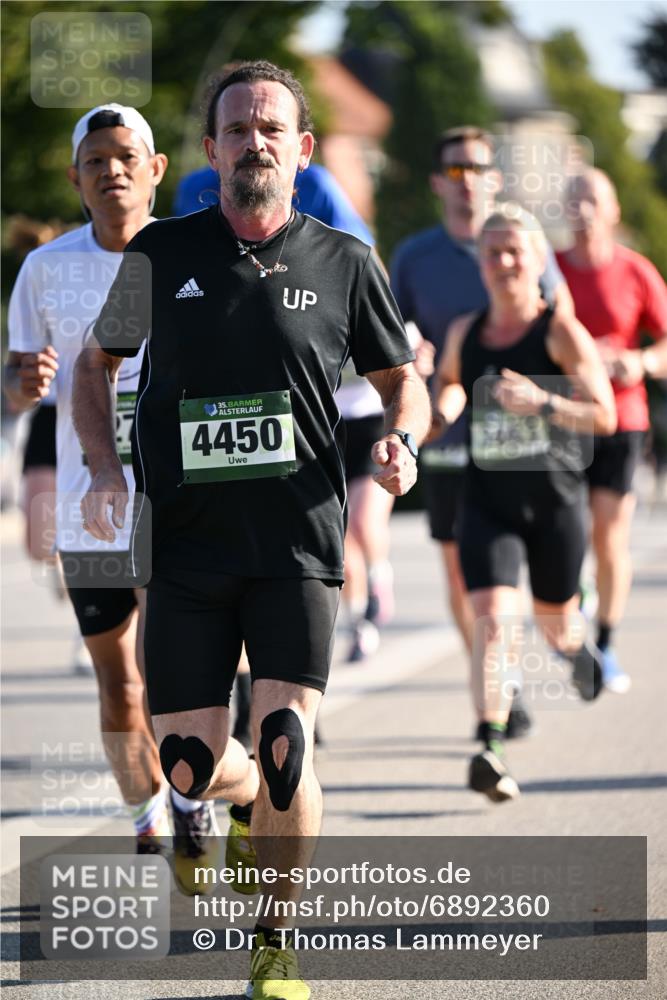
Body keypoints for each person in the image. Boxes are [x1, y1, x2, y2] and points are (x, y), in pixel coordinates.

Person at [73, 61, 430, 1000]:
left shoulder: (344, 262)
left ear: (301, 149)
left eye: (271, 128)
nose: (254, 143)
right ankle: (233, 806)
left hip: (296, 547)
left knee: (284, 742)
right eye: (237, 130)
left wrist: (401, 440)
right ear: (210, 151)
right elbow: (94, 365)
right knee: (190, 761)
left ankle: (274, 944)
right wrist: (104, 470)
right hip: (185, 549)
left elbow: (404, 380)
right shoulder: (159, 254)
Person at [5, 104, 215, 881]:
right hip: (89, 513)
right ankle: (147, 817)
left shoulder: (192, 256)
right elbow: (18, 379)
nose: (112, 170)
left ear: (156, 170)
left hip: (183, 508)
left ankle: (194, 797)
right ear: (75, 178)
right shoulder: (46, 269)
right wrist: (21, 383)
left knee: (176, 674)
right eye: (95, 161)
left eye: (127, 156)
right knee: (119, 683)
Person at [391, 126, 573, 737]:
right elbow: (391, 338)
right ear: (439, 182)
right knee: (461, 573)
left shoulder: (521, 245)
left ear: (496, 178)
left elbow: (562, 333)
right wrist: (409, 360)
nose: (468, 181)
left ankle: (557, 636)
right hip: (450, 430)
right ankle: (502, 682)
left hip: (524, 441)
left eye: (479, 168)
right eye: (456, 170)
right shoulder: (416, 257)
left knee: (524, 576)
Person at [431, 202, 616, 802]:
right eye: (492, 252)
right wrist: (439, 411)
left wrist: (540, 402)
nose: (504, 261)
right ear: (480, 264)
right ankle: (490, 744)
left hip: (555, 503)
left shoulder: (559, 330)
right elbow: (454, 385)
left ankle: (576, 648)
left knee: (554, 624)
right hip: (489, 503)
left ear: (538, 260)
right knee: (492, 624)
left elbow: (605, 416)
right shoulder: (467, 330)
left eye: (515, 251)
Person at [556, 168, 667, 692]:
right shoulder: (549, 271)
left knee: (608, 538)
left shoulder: (637, 271)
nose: (582, 208)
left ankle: (607, 644)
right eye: (573, 198)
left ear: (614, 210)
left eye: (593, 199)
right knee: (566, 534)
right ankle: (573, 618)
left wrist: (639, 361)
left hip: (623, 420)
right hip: (561, 419)